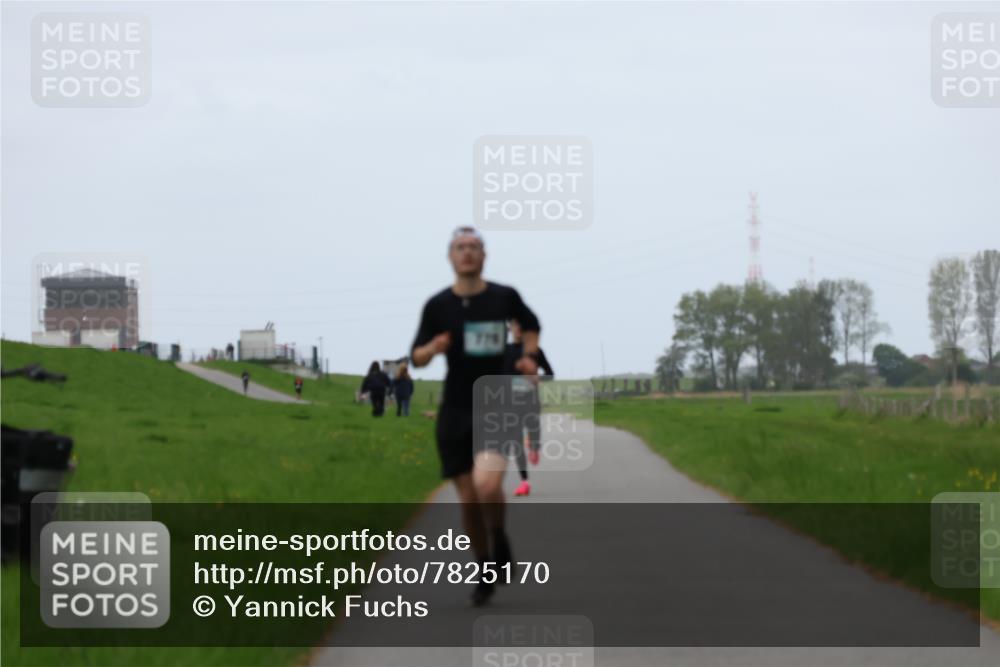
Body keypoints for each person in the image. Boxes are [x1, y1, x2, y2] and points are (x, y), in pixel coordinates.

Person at [410, 226, 542, 606]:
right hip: (455, 407)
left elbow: (531, 325)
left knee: (487, 487)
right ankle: (484, 566)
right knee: (468, 499)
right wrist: (432, 348)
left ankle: (498, 535)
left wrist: (528, 356)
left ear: (484, 256)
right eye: (460, 248)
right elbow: (415, 358)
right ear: (450, 257)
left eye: (474, 247)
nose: (467, 253)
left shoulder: (504, 297)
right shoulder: (437, 306)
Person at [504, 319, 554, 497]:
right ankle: (524, 482)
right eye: (515, 326)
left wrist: (537, 378)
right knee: (516, 442)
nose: (518, 330)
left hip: (531, 401)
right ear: (510, 329)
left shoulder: (535, 351)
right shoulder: (505, 351)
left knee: (533, 431)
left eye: (521, 327)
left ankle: (534, 447)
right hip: (510, 404)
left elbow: (550, 374)